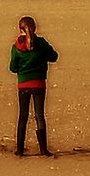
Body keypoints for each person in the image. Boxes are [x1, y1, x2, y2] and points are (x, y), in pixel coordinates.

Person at [8, 16, 58, 157]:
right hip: (39, 84)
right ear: (34, 28)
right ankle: (43, 150)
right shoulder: (41, 43)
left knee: (23, 116)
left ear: (20, 29)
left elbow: (12, 67)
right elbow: (54, 57)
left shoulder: (16, 47)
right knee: (39, 115)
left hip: (23, 84)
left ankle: (20, 150)